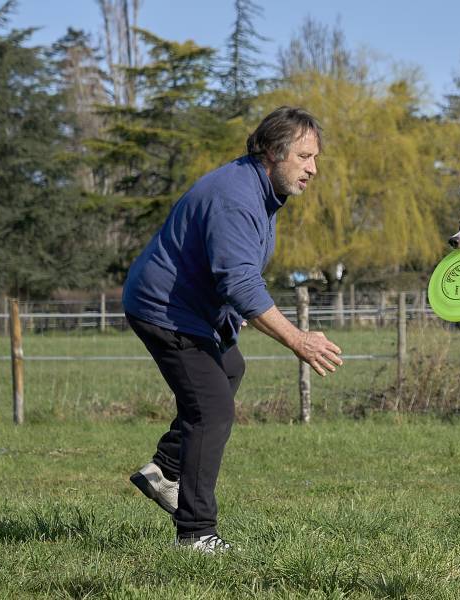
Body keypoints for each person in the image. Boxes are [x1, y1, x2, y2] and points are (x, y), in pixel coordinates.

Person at [122, 106, 343, 553]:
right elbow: (240, 281)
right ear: (272, 152)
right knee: (212, 410)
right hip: (164, 309)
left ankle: (165, 470)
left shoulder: (258, 191)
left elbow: (227, 267)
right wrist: (298, 340)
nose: (313, 169)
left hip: (189, 308)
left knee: (229, 369)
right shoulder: (237, 197)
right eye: (304, 157)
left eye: (315, 158)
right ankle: (196, 533)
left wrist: (229, 308)